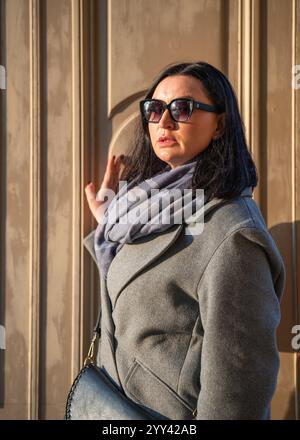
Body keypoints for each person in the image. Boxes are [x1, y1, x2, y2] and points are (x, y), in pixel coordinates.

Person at [83, 61, 286, 420]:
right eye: (155, 109)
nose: (164, 121)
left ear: (220, 124)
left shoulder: (232, 232)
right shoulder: (145, 209)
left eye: (183, 108)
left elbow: (239, 389)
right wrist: (109, 223)